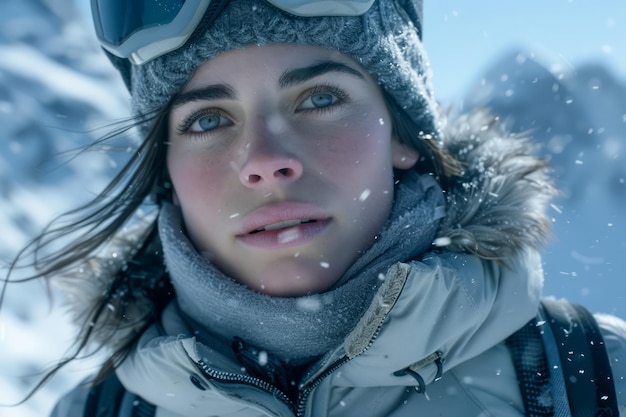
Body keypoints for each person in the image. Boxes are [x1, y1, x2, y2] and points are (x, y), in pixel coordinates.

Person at [6, 0, 625, 416]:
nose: (265, 160)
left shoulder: (599, 377)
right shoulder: (97, 412)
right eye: (209, 119)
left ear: (403, 135)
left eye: (319, 97)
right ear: (166, 171)